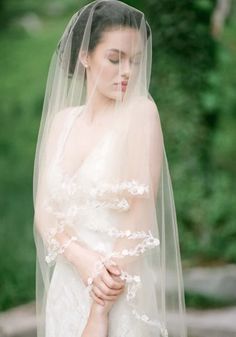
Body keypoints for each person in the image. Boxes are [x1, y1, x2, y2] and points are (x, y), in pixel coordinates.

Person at [33, 1, 187, 337]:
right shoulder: (61, 123)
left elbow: (138, 219)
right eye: (115, 59)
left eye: (135, 61)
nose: (128, 71)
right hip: (67, 288)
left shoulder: (141, 115)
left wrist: (99, 310)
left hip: (116, 294)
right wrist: (81, 260)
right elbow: (44, 214)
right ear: (85, 56)